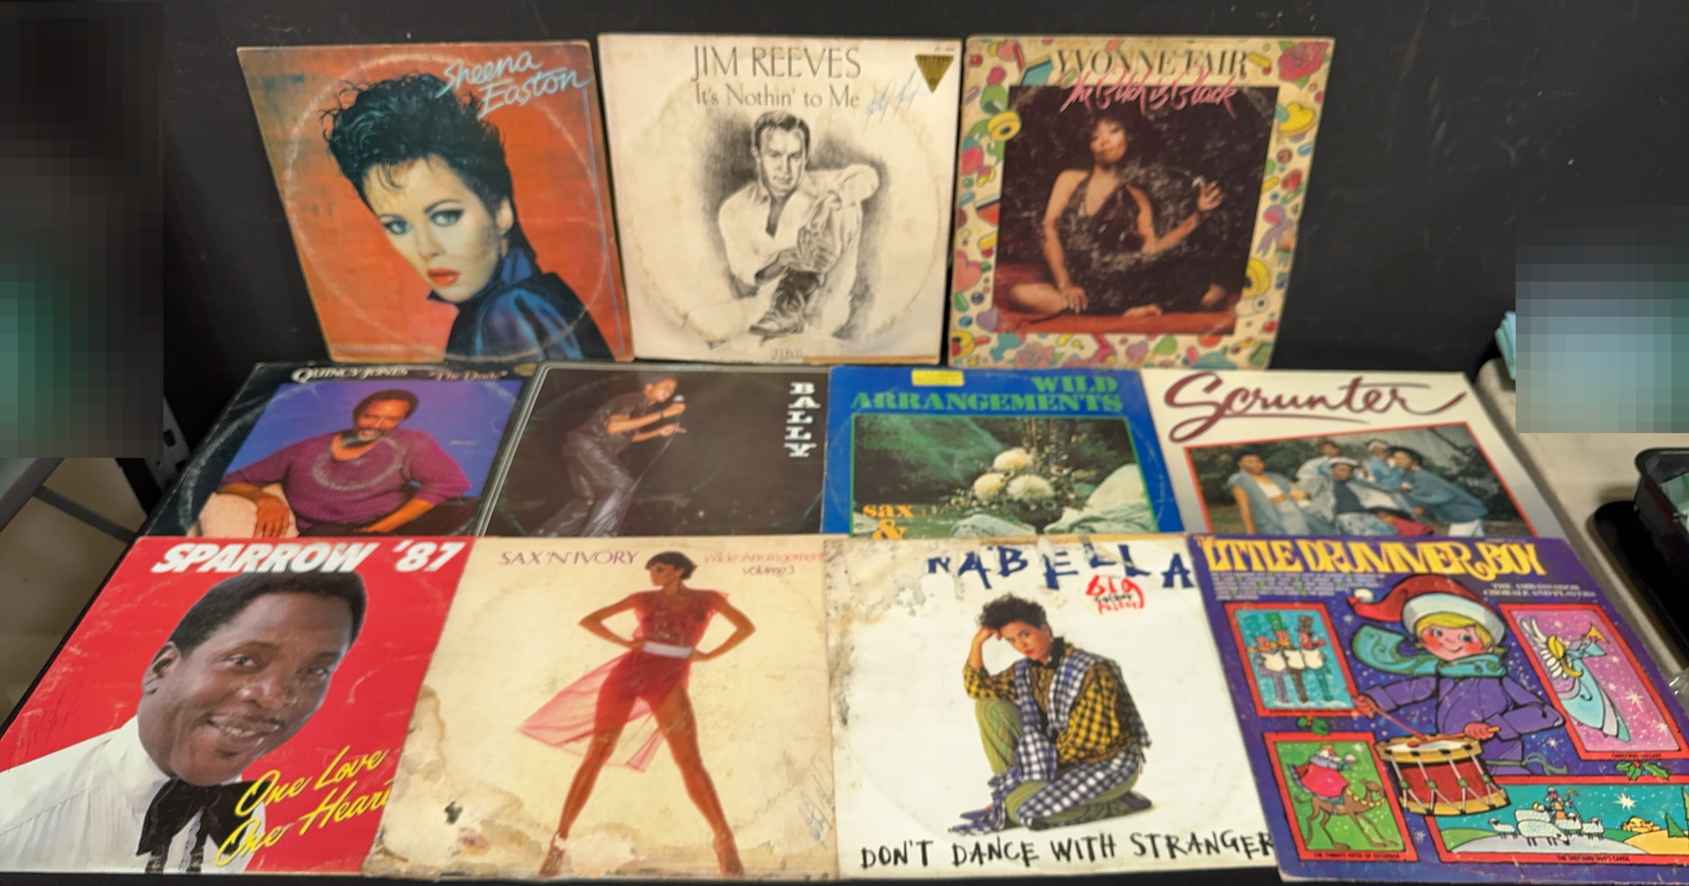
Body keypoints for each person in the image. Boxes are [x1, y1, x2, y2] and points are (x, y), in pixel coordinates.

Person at [0, 572, 365, 872]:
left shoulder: (246, 811)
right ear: (162, 668)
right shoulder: (17, 819)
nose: (273, 699)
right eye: (244, 660)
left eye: (316, 671)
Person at [323, 73, 610, 362]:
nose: (426, 248)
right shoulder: (532, 300)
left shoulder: (508, 313)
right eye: (397, 225)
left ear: (501, 212)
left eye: (445, 216)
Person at [520, 552, 755, 877]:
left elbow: (745, 627)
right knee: (596, 754)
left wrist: (710, 655)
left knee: (689, 761)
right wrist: (626, 643)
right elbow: (590, 620)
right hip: (628, 675)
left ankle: (725, 841)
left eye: (659, 569)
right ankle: (558, 842)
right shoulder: (642, 598)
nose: (653, 575)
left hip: (669, 678)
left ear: (678, 571)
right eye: (651, 570)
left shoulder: (707, 599)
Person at [1001, 107, 1229, 322]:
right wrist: (1065, 284)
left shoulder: (1137, 195)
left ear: (1128, 138)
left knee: (1215, 294)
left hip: (1126, 278)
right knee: (1019, 294)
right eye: (1095, 137)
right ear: (1089, 145)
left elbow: (1150, 250)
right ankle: (1127, 308)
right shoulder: (1070, 180)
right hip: (1086, 282)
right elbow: (1049, 229)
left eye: (1114, 131)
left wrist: (1198, 216)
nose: (1104, 141)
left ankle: (1125, 307)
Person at [952, 595, 1151, 834]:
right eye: (1012, 640)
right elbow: (978, 689)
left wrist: (1025, 778)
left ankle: (1117, 804)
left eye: (1025, 634)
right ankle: (1011, 795)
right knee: (989, 707)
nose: (1021, 645)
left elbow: (1085, 744)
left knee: (1018, 808)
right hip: (1058, 762)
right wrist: (977, 643)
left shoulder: (1092, 670)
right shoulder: (1026, 670)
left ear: (1046, 629)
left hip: (1106, 765)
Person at [1349, 575, 1562, 774]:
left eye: (1465, 638)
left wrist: (1494, 725)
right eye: (1437, 633)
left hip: (1500, 765)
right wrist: (1374, 700)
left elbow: (1547, 714)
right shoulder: (1444, 676)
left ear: (1488, 646)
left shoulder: (1498, 680)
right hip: (1458, 765)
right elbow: (1410, 690)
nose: (1449, 642)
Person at [214, 389, 470, 537]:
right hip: (332, 532)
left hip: (395, 523)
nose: (377, 425)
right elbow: (230, 481)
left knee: (474, 512)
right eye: (370, 416)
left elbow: (449, 483)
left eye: (391, 420)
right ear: (356, 413)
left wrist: (379, 530)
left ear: (401, 421)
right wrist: (265, 499)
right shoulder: (305, 450)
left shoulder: (411, 442)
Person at [716, 111, 880, 342]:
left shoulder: (823, 185)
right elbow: (744, 269)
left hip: (822, 317)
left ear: (805, 157)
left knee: (842, 206)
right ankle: (785, 307)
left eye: (794, 157)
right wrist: (783, 260)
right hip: (763, 310)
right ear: (757, 154)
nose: (785, 168)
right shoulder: (734, 208)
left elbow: (867, 176)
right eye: (775, 155)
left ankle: (792, 304)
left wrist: (832, 200)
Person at [537, 377, 686, 537]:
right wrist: (663, 414)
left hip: (579, 448)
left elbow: (629, 436)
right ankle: (597, 540)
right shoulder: (634, 398)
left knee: (589, 501)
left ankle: (545, 536)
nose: (669, 391)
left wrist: (658, 432)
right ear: (649, 386)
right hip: (589, 445)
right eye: (666, 386)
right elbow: (614, 427)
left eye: (672, 390)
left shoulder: (641, 407)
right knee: (621, 485)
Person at [1388, 446, 1489, 536]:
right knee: (1480, 543)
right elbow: (1400, 486)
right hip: (1465, 514)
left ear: (1414, 461)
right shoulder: (1409, 476)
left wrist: (1422, 507)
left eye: (1402, 458)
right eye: (1395, 458)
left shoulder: (1422, 476)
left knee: (1455, 546)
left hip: (1464, 515)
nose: (1398, 461)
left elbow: (1436, 496)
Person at [1299, 457, 1405, 536]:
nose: (1346, 473)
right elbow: (1305, 473)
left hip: (1367, 516)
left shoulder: (1355, 482)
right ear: (1332, 470)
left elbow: (1380, 487)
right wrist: (1326, 458)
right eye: (1342, 469)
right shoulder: (1323, 482)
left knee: (1392, 534)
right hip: (1347, 519)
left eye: (1349, 471)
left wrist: (1397, 489)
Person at [1227, 450, 1313, 535]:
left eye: (1258, 461)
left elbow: (1298, 492)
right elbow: (1245, 509)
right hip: (1272, 517)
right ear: (1240, 464)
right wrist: (1250, 533)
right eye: (1250, 462)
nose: (1256, 464)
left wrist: (1302, 495)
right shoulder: (1240, 480)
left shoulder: (1275, 477)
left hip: (1293, 512)